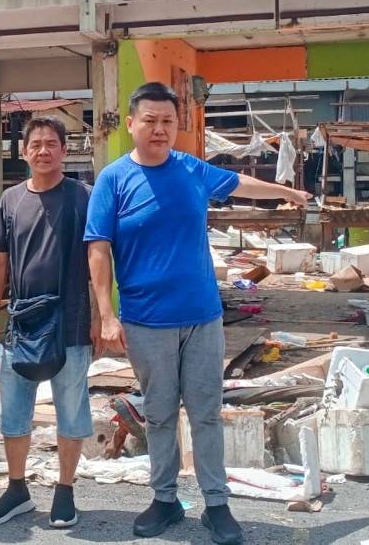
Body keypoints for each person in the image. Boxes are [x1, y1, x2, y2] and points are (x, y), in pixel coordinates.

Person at [85, 83, 311, 545]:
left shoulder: (190, 169)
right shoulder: (113, 179)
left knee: (206, 412)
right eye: (149, 119)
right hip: (146, 320)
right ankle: (164, 498)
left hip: (203, 316)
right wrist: (107, 315)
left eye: (168, 121)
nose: (159, 128)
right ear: (131, 124)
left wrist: (284, 191)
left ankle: (216, 504)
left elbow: (239, 184)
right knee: (162, 413)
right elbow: (99, 249)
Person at [0, 117, 94, 528]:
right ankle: (16, 489)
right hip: (22, 323)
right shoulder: (11, 200)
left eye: (51, 144)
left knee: (72, 410)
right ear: (25, 151)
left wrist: (102, 315)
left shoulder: (85, 197)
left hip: (72, 323)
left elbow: (100, 258)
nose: (43, 150)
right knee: (14, 411)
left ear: (65, 150)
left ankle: (65, 491)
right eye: (36, 144)